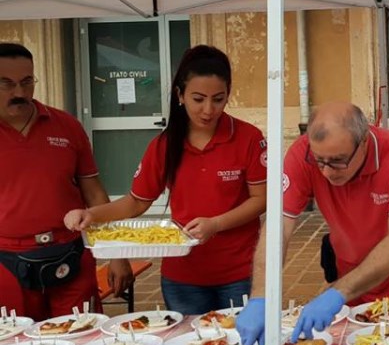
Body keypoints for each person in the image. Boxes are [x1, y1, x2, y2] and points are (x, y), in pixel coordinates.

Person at [64, 44, 266, 313]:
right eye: (198, 99)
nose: (208, 109)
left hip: (240, 272)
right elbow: (136, 202)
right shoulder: (164, 145)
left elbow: (261, 199)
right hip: (183, 276)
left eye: (218, 99)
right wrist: (92, 215)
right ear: (180, 95)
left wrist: (216, 224)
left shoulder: (248, 138)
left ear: (228, 95)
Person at [237, 101, 389, 345]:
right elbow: (277, 228)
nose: (327, 172)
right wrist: (261, 295)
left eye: (338, 161)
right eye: (319, 161)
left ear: (363, 142)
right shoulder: (302, 153)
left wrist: (336, 293)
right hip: (347, 277)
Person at [0, 42, 133, 320]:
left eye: (27, 82)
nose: (19, 93)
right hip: (6, 261)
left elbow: (95, 194)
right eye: (6, 84)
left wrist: (118, 253)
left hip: (70, 255)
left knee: (84, 339)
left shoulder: (67, 126)